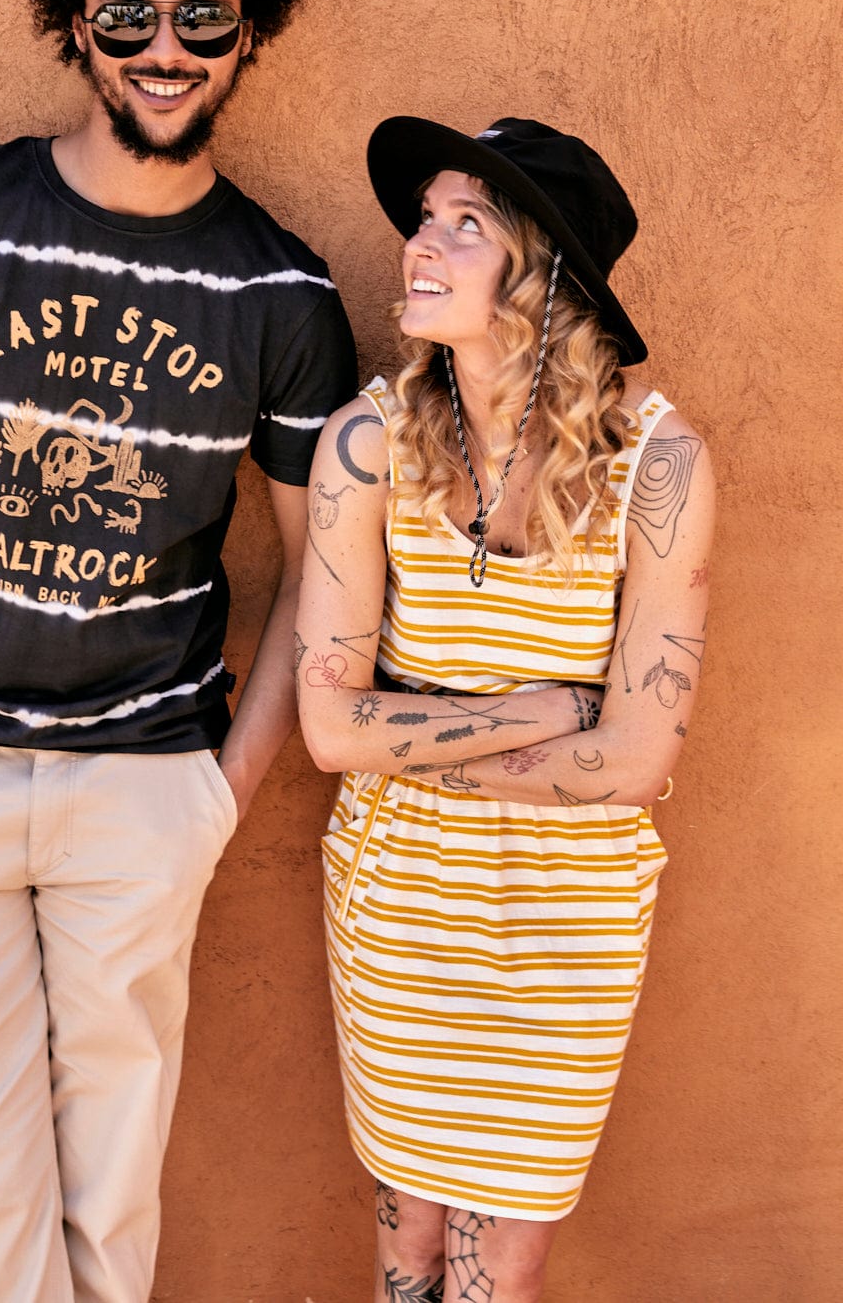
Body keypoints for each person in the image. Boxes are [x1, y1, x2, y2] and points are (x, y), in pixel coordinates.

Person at [0, 0, 356, 1298]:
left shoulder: (281, 293)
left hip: (146, 790)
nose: (168, 47)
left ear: (247, 28)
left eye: (203, 16)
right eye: (129, 14)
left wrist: (219, 796)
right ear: (75, 22)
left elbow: (315, 571)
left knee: (112, 1217)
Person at [296, 116, 714, 1302]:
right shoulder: (367, 446)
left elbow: (635, 763)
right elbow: (331, 733)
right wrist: (538, 709)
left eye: (463, 226)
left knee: (504, 1270)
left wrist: (414, 741)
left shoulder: (662, 467)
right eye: (425, 219)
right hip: (401, 903)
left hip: (570, 921)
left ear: (546, 273)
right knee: (410, 1254)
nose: (418, 247)